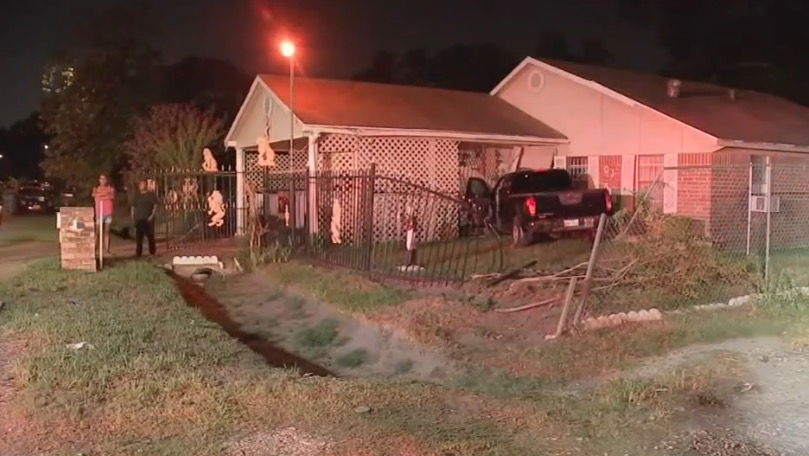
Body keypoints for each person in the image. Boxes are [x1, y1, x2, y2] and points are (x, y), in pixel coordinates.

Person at [131, 179, 157, 257]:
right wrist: (133, 216)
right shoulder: (137, 196)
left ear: (146, 185)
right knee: (139, 237)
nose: (142, 186)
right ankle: (138, 253)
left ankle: (152, 252)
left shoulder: (151, 195)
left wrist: (152, 216)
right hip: (139, 219)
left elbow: (155, 206)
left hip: (148, 219)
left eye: (143, 184)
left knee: (150, 236)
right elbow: (133, 207)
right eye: (140, 185)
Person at [91, 174, 116, 254]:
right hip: (99, 212)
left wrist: (101, 196)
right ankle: (95, 249)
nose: (103, 180)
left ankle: (107, 249)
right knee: (97, 231)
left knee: (107, 231)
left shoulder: (110, 188)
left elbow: (111, 196)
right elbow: (95, 195)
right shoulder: (96, 188)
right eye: (101, 179)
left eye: (104, 179)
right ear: (99, 180)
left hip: (108, 212)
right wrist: (105, 196)